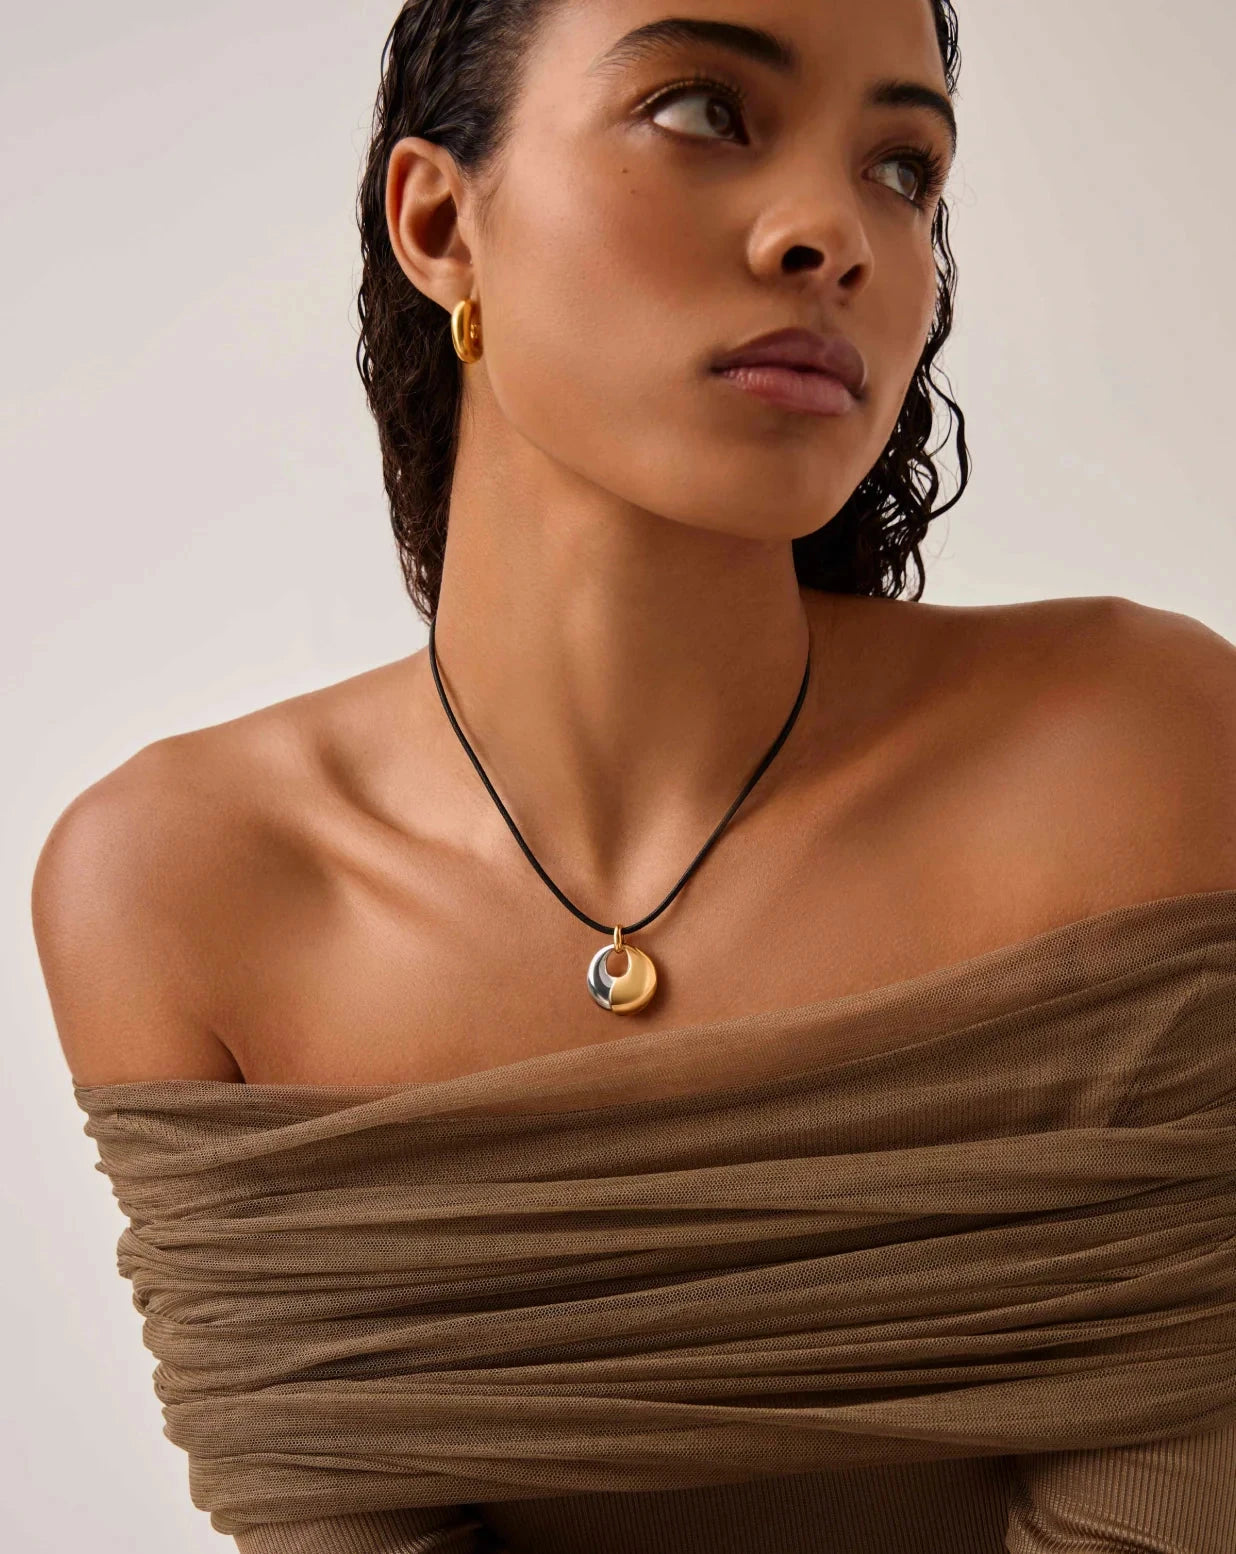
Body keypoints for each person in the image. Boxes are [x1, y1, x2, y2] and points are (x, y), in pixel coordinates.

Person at [32, 3, 1236, 1552]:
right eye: (703, 112)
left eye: (902, 168)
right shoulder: (183, 890)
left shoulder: (1141, 756)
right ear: (441, 223)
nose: (834, 235)